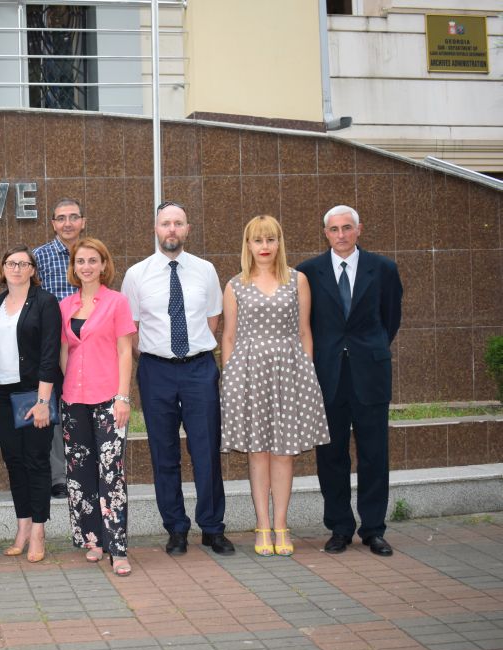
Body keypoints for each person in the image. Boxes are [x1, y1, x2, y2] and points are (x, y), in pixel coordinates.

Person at [121, 202, 234, 557]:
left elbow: (212, 319)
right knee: (163, 452)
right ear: (156, 229)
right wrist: (156, 355)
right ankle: (176, 528)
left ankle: (212, 528)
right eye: (165, 223)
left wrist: (192, 352)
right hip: (156, 371)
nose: (172, 229)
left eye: (178, 223)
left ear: (187, 229)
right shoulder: (136, 275)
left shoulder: (205, 270)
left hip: (199, 369)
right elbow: (131, 329)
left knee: (206, 449)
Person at [220, 216, 330, 557]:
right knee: (258, 454)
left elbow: (304, 331)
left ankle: (281, 525)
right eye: (258, 240)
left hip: (289, 373)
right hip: (249, 374)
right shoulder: (235, 284)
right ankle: (263, 526)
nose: (264, 246)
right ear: (248, 245)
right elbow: (229, 336)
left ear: (279, 242)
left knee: (284, 454)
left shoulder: (298, 280)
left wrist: (306, 374)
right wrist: (230, 381)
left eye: (270, 239)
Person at [297, 205, 402, 557]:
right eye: (334, 229)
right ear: (325, 233)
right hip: (327, 376)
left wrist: (368, 350)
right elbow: (306, 323)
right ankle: (340, 527)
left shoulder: (383, 269)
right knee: (331, 456)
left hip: (370, 374)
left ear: (359, 230)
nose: (340, 235)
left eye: (347, 228)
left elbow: (390, 319)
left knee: (374, 455)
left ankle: (373, 529)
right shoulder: (308, 272)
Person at [59, 238, 135, 577]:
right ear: (74, 267)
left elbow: (124, 351)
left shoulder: (117, 302)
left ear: (104, 265)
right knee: (80, 474)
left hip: (108, 399)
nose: (86, 266)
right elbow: (65, 352)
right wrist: (71, 385)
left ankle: (118, 548)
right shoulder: (66, 305)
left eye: (93, 260)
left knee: (111, 474)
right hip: (73, 401)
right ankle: (93, 540)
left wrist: (123, 397)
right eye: (81, 261)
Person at [0, 246, 61, 563]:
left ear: (32, 270)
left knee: (36, 461)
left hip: (32, 393)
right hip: (1, 394)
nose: (16, 268)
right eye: (10, 263)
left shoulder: (45, 302)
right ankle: (23, 527)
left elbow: (50, 354)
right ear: (2, 268)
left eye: (23, 264)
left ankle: (39, 531)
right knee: (14, 462)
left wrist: (43, 401)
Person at [33, 197, 87, 500]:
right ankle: (59, 476)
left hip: (89, 347)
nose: (68, 223)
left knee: (85, 408)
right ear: (53, 223)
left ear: (83, 222)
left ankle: (84, 469)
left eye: (73, 217)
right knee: (53, 411)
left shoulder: (92, 254)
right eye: (61, 218)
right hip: (53, 346)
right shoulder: (39, 256)